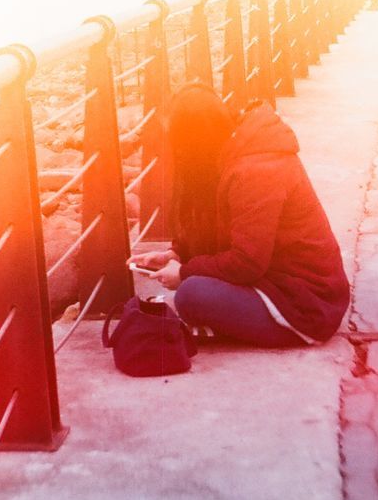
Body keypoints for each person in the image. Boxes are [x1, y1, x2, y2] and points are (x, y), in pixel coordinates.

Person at [140, 84, 350, 347]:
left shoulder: (255, 171)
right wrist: (177, 254)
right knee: (193, 290)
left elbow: (247, 262)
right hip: (282, 286)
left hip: (306, 308)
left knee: (191, 295)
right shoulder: (234, 153)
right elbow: (228, 230)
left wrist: (184, 272)